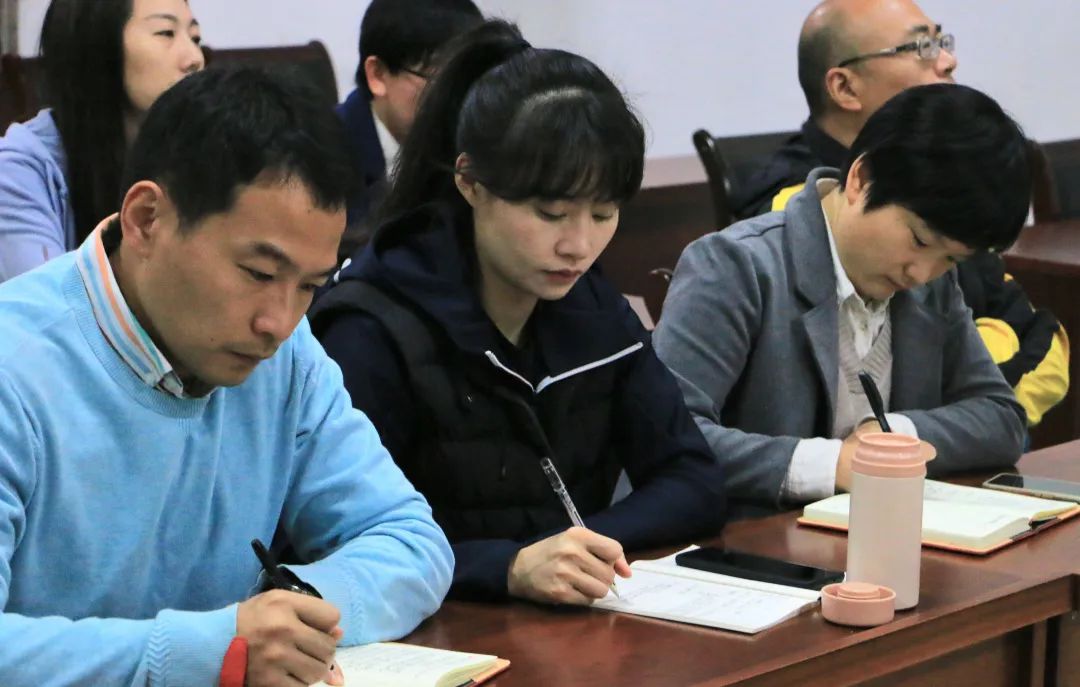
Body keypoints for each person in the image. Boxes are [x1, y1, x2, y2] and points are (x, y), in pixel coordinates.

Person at [0, 66, 452, 687]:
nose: (279, 322)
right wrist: (214, 648)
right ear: (147, 218)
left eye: (310, 286)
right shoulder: (17, 365)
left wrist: (289, 614)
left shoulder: (286, 357)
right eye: (258, 274)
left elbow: (409, 540)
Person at [311, 20, 727, 605]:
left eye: (603, 214)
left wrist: (581, 548)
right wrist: (508, 566)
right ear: (469, 182)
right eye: (550, 214)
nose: (578, 246)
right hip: (427, 631)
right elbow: (337, 541)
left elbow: (694, 479)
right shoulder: (371, 328)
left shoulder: (591, 306)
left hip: (570, 620)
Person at [653, 84, 1029, 517]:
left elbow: (1001, 418)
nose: (921, 274)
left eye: (951, 259)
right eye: (919, 240)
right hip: (747, 541)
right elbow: (667, 435)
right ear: (861, 179)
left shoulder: (934, 286)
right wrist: (835, 465)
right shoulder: (736, 266)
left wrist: (891, 436)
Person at [729, 0, 1067, 429]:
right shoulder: (797, 209)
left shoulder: (950, 191)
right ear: (845, 87)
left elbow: (1039, 338)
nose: (948, 61)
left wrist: (961, 403)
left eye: (941, 41)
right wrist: (958, 394)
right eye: (920, 47)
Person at [0, 0, 205, 283]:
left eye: (195, 38)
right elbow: (46, 303)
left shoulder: (202, 152)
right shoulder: (20, 171)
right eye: (166, 33)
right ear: (96, 47)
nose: (195, 58)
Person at [335, 0, 483, 260]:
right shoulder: (323, 153)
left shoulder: (468, 145)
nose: (457, 97)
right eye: (438, 78)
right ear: (378, 75)